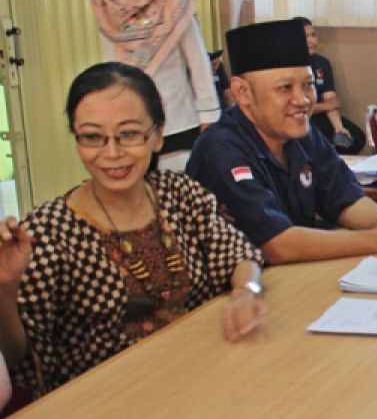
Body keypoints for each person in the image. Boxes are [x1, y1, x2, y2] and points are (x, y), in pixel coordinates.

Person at [0, 62, 266, 396]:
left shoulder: (179, 194)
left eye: (128, 134)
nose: (111, 153)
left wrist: (246, 292)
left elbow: (240, 253)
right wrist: (5, 289)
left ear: (157, 136)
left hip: (202, 379)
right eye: (93, 137)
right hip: (104, 406)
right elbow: (17, 359)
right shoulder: (47, 233)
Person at [186, 19, 377, 265]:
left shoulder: (303, 134)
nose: (303, 100)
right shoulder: (220, 149)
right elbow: (276, 244)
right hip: (242, 292)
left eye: (308, 85)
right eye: (284, 88)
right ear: (242, 93)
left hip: (296, 276)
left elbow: (343, 198)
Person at [75, 0, 221, 154]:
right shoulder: (105, 4)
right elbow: (112, 67)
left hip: (179, 123)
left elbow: (198, 60)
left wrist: (209, 115)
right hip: (131, 126)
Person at [297, 17, 366, 154]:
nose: (312, 41)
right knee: (316, 141)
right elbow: (296, 105)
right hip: (303, 117)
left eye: (313, 35)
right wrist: (325, 106)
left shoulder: (322, 63)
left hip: (321, 115)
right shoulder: (291, 67)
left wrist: (338, 128)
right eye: (306, 37)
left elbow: (331, 100)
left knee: (356, 137)